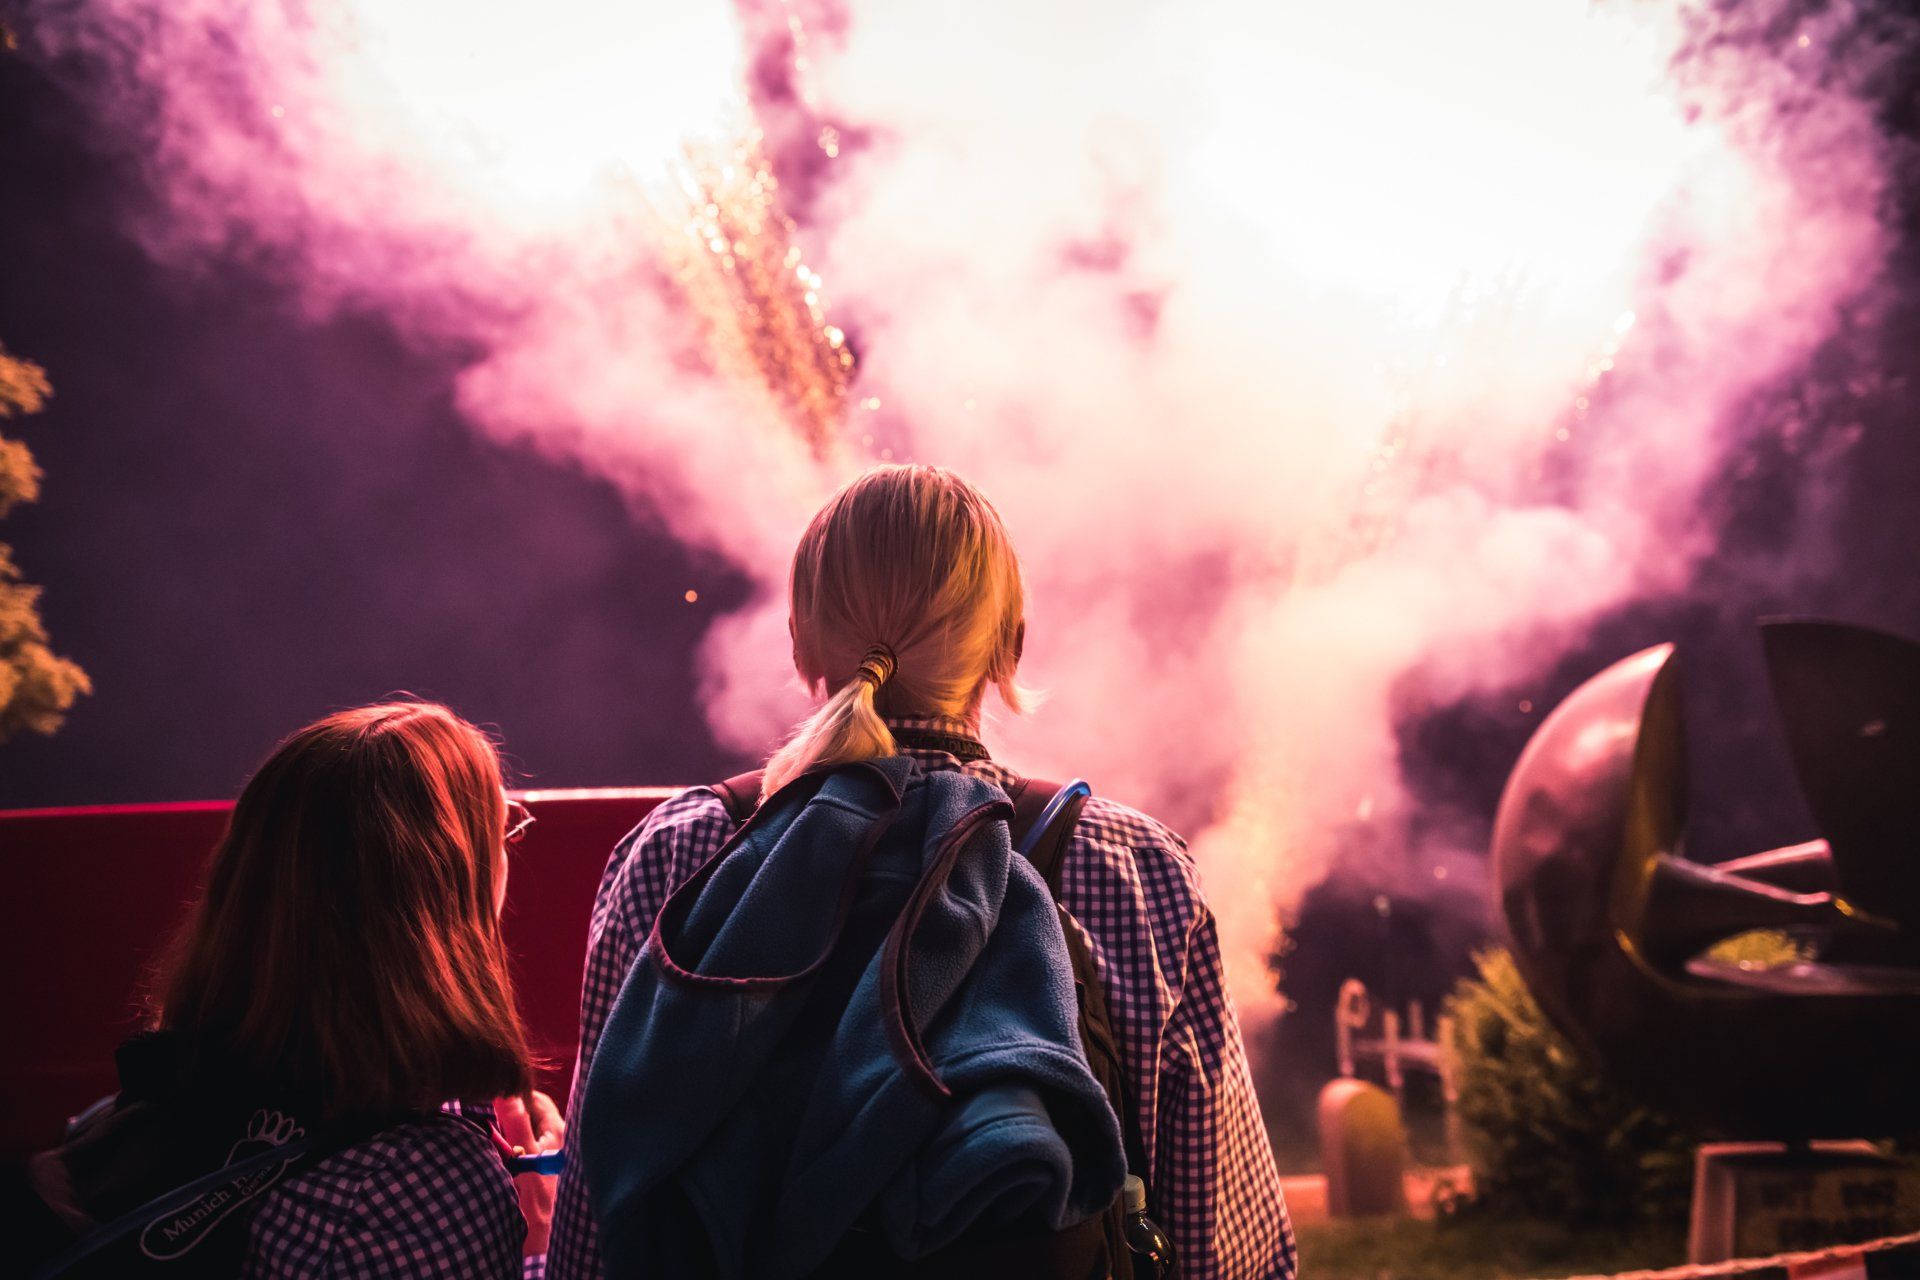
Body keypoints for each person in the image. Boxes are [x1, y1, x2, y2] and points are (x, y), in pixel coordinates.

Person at [549, 465, 1297, 1279]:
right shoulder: (1129, 867)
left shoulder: (681, 853)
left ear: (799, 642)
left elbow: (601, 1212)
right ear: (1010, 644)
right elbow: (1224, 1244)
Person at [19, 702, 563, 1278]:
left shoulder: (145, 1101)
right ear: (451, 891)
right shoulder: (427, 1187)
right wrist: (535, 1238)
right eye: (500, 832)